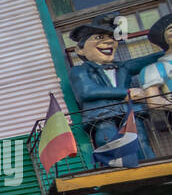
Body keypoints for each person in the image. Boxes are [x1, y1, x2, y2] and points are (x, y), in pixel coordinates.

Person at [66, 15, 161, 163]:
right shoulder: (79, 71)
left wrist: (167, 52)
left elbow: (147, 60)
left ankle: (150, 164)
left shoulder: (123, 67)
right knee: (108, 143)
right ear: (80, 50)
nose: (109, 41)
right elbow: (86, 91)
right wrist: (126, 93)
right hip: (102, 115)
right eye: (99, 37)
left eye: (112, 37)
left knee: (141, 143)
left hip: (130, 113)